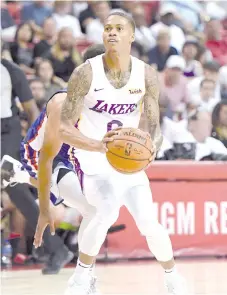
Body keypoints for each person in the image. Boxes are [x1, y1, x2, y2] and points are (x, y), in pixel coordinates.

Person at [50, 11, 187, 295]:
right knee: (106, 209)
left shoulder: (146, 74)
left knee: (149, 221)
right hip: (91, 157)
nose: (112, 32)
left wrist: (151, 146)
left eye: (119, 28)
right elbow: (63, 128)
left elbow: (153, 125)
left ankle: (173, 277)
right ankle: (81, 278)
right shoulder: (85, 73)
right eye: (108, 28)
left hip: (127, 158)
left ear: (132, 35)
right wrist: (98, 145)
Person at [1, 44, 106, 291]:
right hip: (51, 153)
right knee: (17, 185)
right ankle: (60, 251)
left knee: (13, 183)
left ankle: (62, 252)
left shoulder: (11, 71)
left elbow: (30, 107)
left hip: (8, 131)